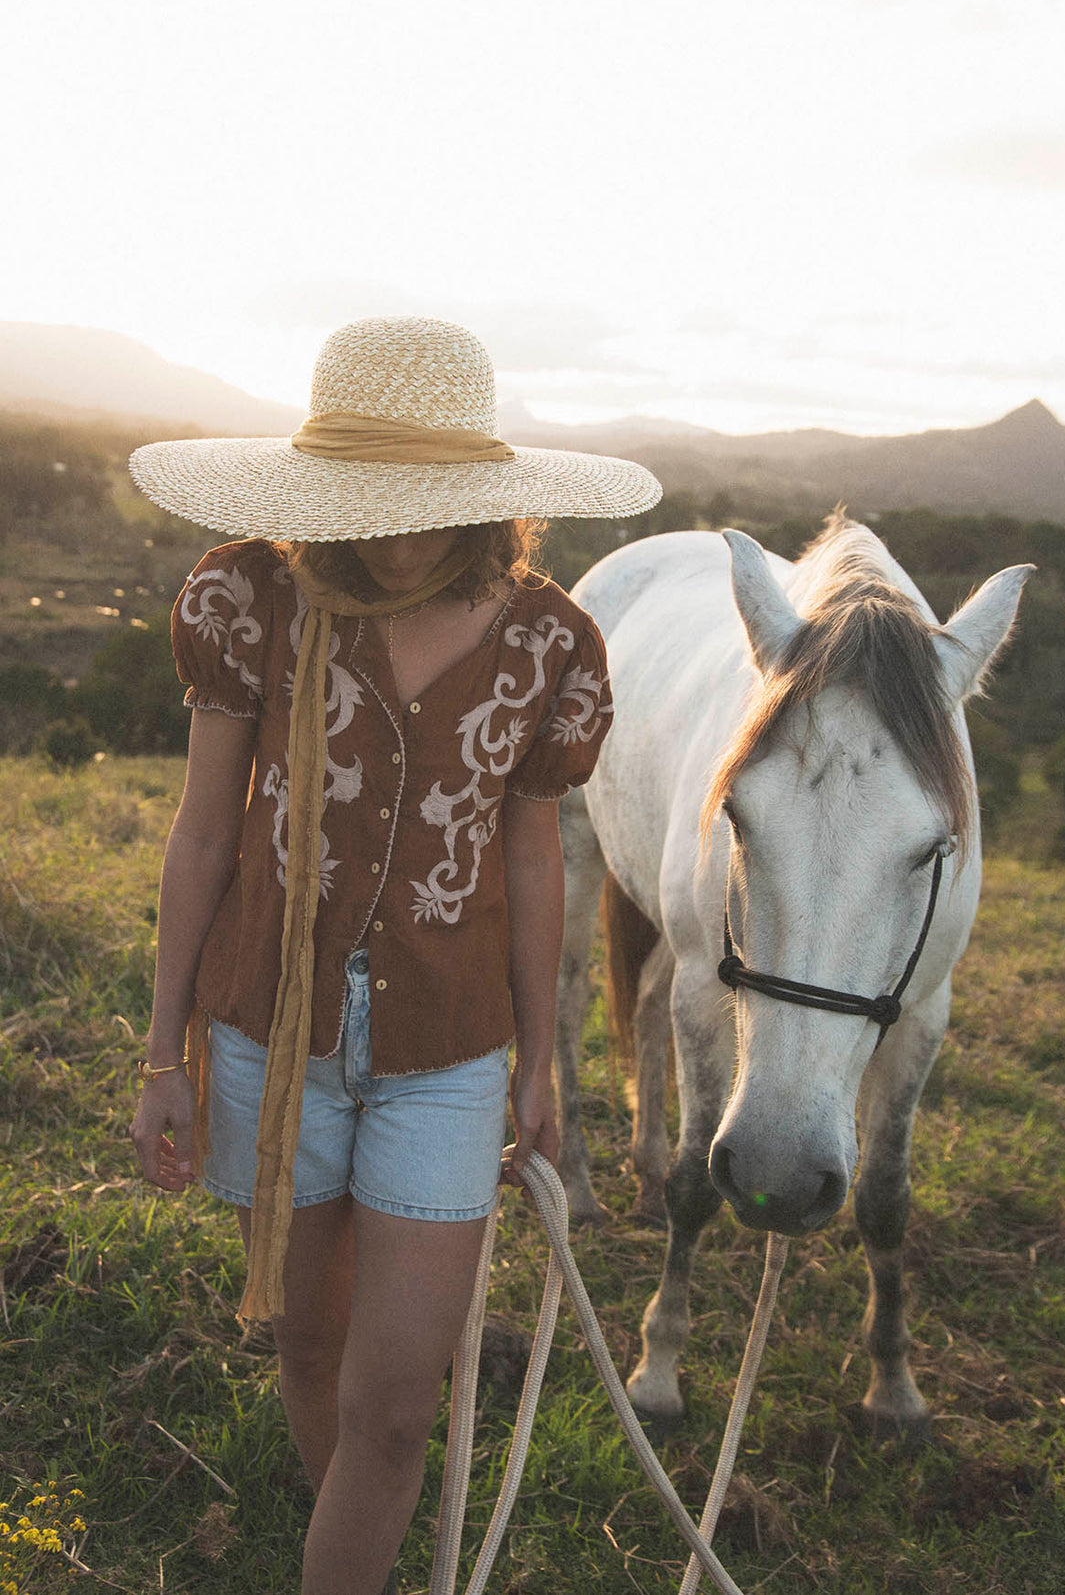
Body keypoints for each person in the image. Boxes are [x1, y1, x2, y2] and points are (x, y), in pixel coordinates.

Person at [126, 317, 661, 1595]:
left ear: (486, 496)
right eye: (372, 498)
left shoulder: (548, 645)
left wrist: (543, 1058)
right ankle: (359, 1546)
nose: (403, 529)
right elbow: (205, 832)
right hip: (269, 1033)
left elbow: (534, 862)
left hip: (448, 1055)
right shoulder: (249, 597)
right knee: (310, 1349)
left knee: (399, 1407)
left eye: (431, 499)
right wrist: (162, 1054)